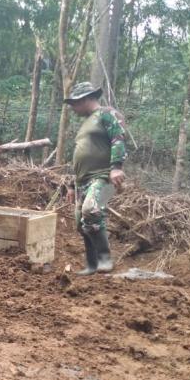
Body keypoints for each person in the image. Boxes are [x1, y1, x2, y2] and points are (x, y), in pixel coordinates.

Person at [63, 82, 127, 275]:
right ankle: (91, 265)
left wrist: (116, 167)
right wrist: (71, 186)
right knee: (80, 222)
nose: (73, 108)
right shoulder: (86, 123)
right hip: (82, 180)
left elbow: (118, 138)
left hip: (102, 176)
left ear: (86, 99)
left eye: (74, 103)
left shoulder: (106, 113)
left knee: (91, 211)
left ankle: (105, 259)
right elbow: (78, 155)